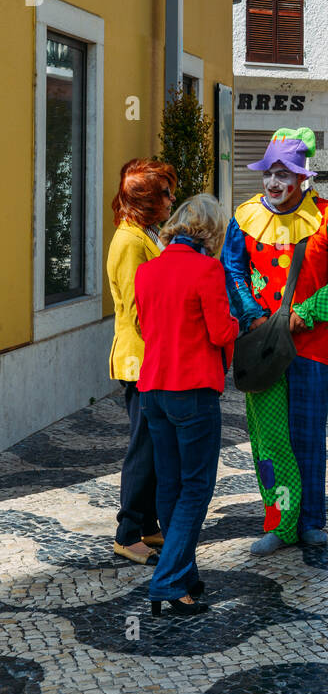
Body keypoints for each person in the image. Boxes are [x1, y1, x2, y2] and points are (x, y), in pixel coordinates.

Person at [222, 128, 328, 553]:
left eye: (284, 173)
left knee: (307, 435)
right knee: (269, 438)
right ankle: (279, 520)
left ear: (303, 178)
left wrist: (303, 315)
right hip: (264, 345)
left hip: (313, 345)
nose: (274, 183)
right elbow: (232, 270)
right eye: (269, 173)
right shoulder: (244, 217)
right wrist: (255, 315)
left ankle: (311, 519)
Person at [135, 195, 239, 616]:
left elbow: (144, 327)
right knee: (196, 488)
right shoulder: (207, 270)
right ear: (210, 231)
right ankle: (167, 581)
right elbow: (219, 332)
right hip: (192, 389)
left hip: (153, 389)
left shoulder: (148, 270)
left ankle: (185, 577)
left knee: (170, 485)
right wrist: (238, 321)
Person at [106, 159, 177, 565]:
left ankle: (149, 525)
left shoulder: (147, 234)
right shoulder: (131, 242)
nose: (171, 199)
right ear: (147, 201)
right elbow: (139, 311)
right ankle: (127, 531)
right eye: (165, 193)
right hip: (141, 360)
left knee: (153, 445)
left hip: (153, 359)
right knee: (143, 448)